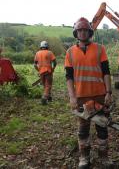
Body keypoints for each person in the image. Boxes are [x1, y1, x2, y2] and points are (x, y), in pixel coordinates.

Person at [64, 17, 113, 169]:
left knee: (102, 127)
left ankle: (104, 157)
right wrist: (72, 97)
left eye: (85, 30)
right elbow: (69, 77)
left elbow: (106, 72)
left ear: (90, 32)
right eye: (80, 30)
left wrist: (108, 92)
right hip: (81, 97)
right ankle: (84, 158)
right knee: (83, 129)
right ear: (76, 32)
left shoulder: (100, 49)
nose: (83, 33)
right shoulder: (70, 52)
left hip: (99, 95)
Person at [34, 41, 57, 105]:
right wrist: (53, 69)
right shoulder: (50, 52)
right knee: (48, 85)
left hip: (41, 72)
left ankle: (49, 97)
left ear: (41, 46)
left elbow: (35, 65)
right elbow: (55, 62)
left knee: (45, 85)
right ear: (47, 46)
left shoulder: (37, 53)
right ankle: (44, 98)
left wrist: (39, 70)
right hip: (48, 71)